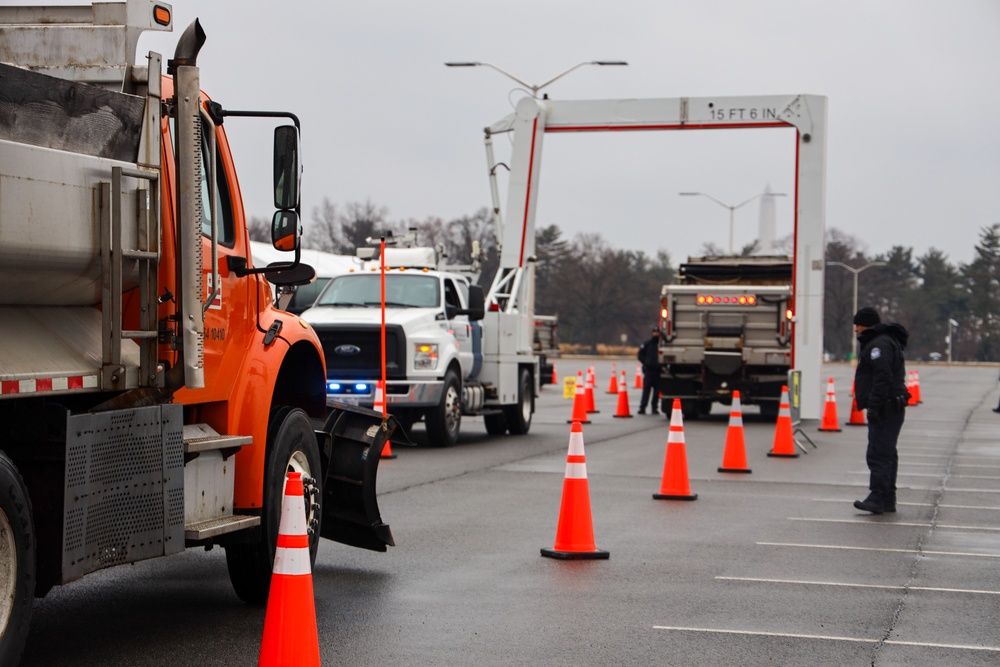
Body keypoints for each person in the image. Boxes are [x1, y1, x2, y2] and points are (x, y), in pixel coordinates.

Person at [851, 307, 910, 514]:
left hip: (886, 406)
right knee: (887, 453)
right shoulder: (882, 341)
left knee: (878, 453)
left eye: (857, 324)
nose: (856, 328)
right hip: (891, 405)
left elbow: (882, 377)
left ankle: (877, 497)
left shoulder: (879, 345)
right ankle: (887, 499)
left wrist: (874, 406)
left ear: (865, 324)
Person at [637, 326, 662, 415]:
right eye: (655, 332)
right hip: (649, 370)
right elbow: (640, 355)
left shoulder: (661, 344)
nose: (656, 334)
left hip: (658, 371)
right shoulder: (647, 344)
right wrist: (646, 362)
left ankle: (654, 408)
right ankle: (642, 407)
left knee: (656, 391)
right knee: (646, 390)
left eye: (658, 332)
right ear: (652, 333)